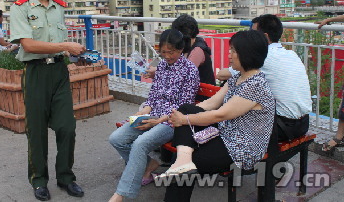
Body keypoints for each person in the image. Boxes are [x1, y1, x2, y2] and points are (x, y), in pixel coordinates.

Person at [160, 30, 274, 201]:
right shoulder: (237, 78)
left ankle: (182, 161)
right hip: (226, 132)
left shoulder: (255, 85)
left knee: (184, 168)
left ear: (247, 54)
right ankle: (183, 160)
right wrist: (175, 115)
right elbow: (211, 104)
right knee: (185, 108)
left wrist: (184, 119)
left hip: (240, 147)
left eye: (233, 51)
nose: (229, 55)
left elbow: (220, 115)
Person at [10, 0, 86, 201]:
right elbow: (29, 45)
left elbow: (58, 46)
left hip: (59, 72)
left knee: (67, 127)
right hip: (36, 73)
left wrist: (73, 53)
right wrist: (65, 45)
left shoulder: (58, 7)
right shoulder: (20, 7)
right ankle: (39, 180)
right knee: (38, 131)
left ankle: (66, 177)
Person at [108, 29, 200, 202]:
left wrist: (157, 121)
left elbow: (184, 107)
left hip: (171, 122)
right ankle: (149, 164)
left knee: (140, 144)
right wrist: (142, 112)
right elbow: (154, 96)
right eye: (163, 52)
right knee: (116, 138)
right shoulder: (163, 66)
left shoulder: (190, 71)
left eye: (170, 52)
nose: (166, 56)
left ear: (180, 50)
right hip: (152, 116)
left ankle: (120, 195)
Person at [217, 14, 312, 141]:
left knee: (238, 89)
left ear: (264, 37)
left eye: (253, 35)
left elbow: (221, 75)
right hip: (303, 123)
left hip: (281, 128)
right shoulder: (291, 54)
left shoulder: (264, 57)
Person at [144, 15, 216, 89]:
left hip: (203, 95)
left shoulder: (197, 50)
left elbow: (182, 74)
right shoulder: (185, 47)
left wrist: (158, 71)